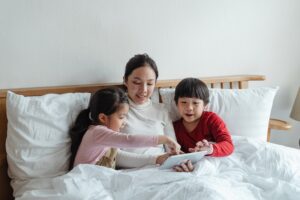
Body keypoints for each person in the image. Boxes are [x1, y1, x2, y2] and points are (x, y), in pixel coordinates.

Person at [69, 87, 180, 169]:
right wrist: (164, 139)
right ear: (103, 118)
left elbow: (120, 155)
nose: (124, 122)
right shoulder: (98, 132)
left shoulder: (103, 136)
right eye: (121, 117)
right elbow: (129, 140)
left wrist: (156, 159)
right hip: (84, 181)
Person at [118, 53, 194, 172]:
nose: (143, 90)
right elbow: (113, 156)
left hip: (163, 170)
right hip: (130, 173)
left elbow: (172, 149)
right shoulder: (115, 110)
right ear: (125, 80)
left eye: (149, 84)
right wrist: (156, 159)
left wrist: (181, 161)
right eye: (137, 82)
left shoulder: (161, 110)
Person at [173, 78, 234, 162]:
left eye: (195, 103)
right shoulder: (174, 128)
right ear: (176, 104)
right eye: (184, 102)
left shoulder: (211, 119)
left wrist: (210, 149)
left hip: (212, 160)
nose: (189, 108)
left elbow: (228, 145)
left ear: (205, 105)